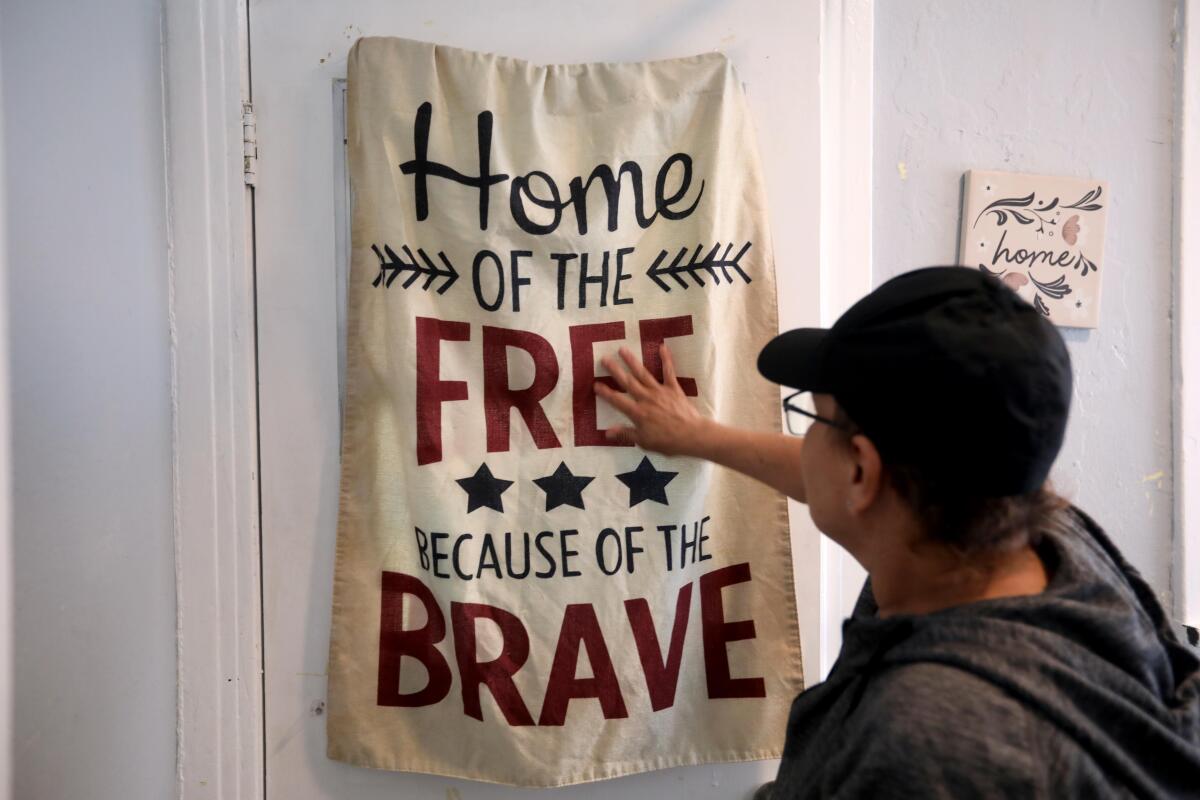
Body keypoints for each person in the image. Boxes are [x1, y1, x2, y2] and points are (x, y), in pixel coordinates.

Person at [595, 266, 1200, 798]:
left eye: (814, 420)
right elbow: (833, 475)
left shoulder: (930, 739)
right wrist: (701, 436)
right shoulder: (1043, 532)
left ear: (862, 471)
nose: (806, 444)